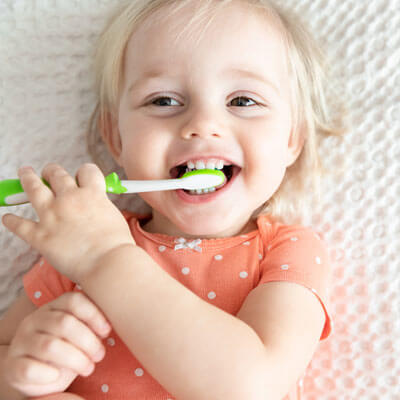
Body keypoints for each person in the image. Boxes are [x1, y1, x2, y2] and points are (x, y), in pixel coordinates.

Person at [0, 0, 348, 399]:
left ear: (292, 139)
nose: (202, 125)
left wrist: (106, 260)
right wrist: (17, 375)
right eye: (163, 100)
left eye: (243, 101)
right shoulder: (80, 240)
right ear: (116, 137)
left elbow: (249, 387)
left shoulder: (288, 252)